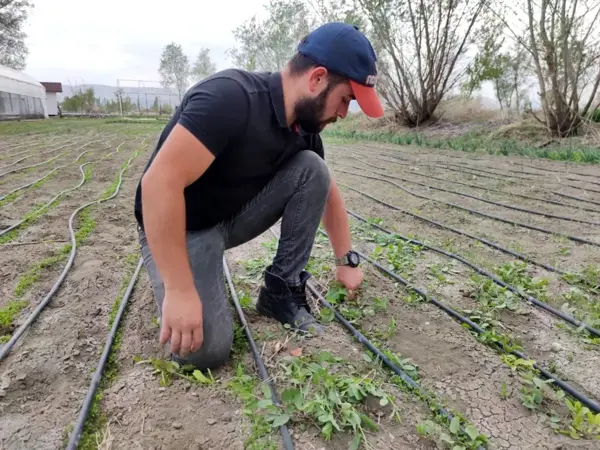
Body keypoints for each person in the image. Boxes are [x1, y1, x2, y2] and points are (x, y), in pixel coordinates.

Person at [134, 22, 384, 370]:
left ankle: (279, 292)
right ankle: (178, 271)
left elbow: (328, 194)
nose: (344, 113)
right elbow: (158, 184)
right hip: (182, 226)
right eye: (346, 99)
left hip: (230, 218)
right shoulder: (229, 98)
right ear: (317, 78)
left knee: (313, 169)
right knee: (205, 352)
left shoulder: (303, 129)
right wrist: (179, 291)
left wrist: (346, 262)